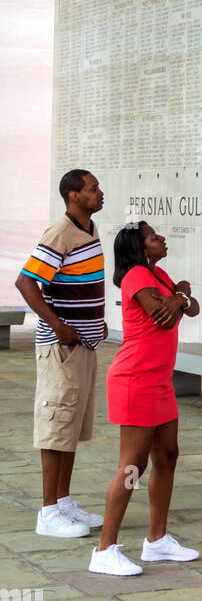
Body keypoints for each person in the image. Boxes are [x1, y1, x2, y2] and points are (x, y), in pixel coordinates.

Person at [89, 220, 201, 577]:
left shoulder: (159, 274)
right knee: (133, 466)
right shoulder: (137, 275)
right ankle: (104, 550)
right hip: (135, 379)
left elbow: (190, 307)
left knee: (167, 456)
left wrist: (180, 297)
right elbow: (164, 318)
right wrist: (179, 297)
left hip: (159, 382)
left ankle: (156, 540)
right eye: (154, 237)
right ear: (140, 248)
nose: (162, 238)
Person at [15, 169, 107, 538]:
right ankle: (48, 512)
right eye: (92, 188)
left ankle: (64, 502)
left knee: (70, 424)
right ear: (73, 195)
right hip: (61, 349)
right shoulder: (59, 233)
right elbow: (25, 281)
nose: (100, 193)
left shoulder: (89, 230)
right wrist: (58, 325)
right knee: (55, 424)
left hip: (83, 347)